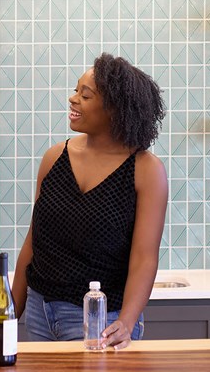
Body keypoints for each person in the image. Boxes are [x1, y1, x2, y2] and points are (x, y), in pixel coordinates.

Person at [12, 53, 168, 350]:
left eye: (85, 95)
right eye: (75, 91)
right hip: (39, 311)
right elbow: (35, 240)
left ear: (114, 109)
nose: (73, 100)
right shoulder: (54, 157)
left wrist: (127, 321)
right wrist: (9, 313)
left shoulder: (146, 170)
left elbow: (144, 258)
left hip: (101, 318)